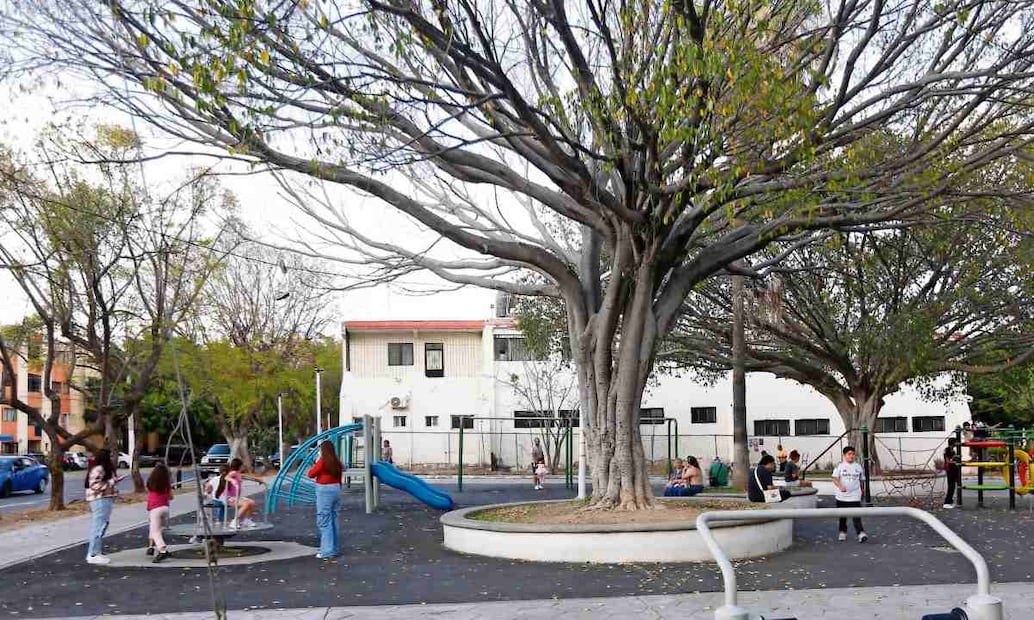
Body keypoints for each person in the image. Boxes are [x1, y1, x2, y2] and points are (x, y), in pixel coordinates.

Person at [85, 448, 123, 565]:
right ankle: (92, 554)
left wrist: (114, 481)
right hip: (99, 500)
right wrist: (112, 482)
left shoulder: (104, 469)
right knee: (98, 526)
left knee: (102, 525)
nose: (113, 458)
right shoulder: (98, 469)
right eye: (110, 456)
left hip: (105, 499)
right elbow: (94, 485)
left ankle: (96, 551)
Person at [307, 441, 343, 559]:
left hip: (324, 490)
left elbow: (311, 474)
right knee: (334, 518)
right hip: (336, 489)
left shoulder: (322, 462)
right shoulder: (337, 462)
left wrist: (317, 461)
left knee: (324, 519)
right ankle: (334, 548)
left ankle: (327, 550)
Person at [832, 446, 868, 542]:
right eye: (849, 454)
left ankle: (861, 533)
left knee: (856, 516)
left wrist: (862, 491)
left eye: (853, 454)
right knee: (842, 516)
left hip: (855, 496)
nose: (851, 456)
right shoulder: (839, 466)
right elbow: (835, 479)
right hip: (841, 497)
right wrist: (840, 486)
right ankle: (842, 532)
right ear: (844, 455)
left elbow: (861, 480)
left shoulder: (858, 466)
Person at [145, 462, 174, 563]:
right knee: (157, 528)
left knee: (155, 531)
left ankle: (162, 550)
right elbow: (171, 497)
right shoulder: (166, 485)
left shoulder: (151, 484)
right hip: (165, 508)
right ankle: (151, 547)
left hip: (154, 509)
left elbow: (149, 498)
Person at [225, 458, 259, 529]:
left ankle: (246, 520)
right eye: (242, 465)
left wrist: (257, 480)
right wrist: (232, 480)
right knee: (246, 504)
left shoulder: (238, 474)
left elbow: (245, 477)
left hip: (237, 496)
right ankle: (235, 521)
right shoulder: (233, 472)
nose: (243, 467)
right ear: (239, 466)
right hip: (230, 498)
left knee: (252, 503)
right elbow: (226, 477)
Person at [942, 441, 961, 509]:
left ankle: (950, 501)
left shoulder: (953, 450)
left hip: (954, 469)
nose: (956, 444)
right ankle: (947, 502)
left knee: (954, 486)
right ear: (953, 443)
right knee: (951, 486)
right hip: (950, 469)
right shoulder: (947, 450)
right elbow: (948, 461)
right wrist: (955, 461)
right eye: (955, 443)